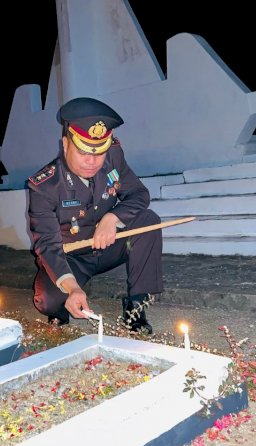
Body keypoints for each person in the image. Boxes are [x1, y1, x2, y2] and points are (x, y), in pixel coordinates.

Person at [27, 97, 163, 333]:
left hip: (108, 244)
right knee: (48, 301)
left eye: (99, 153)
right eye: (83, 153)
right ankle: (64, 307)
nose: (92, 162)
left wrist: (112, 219)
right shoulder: (45, 185)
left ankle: (135, 308)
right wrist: (72, 288)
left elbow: (139, 194)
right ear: (65, 144)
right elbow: (47, 244)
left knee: (147, 221)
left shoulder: (113, 157)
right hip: (71, 257)